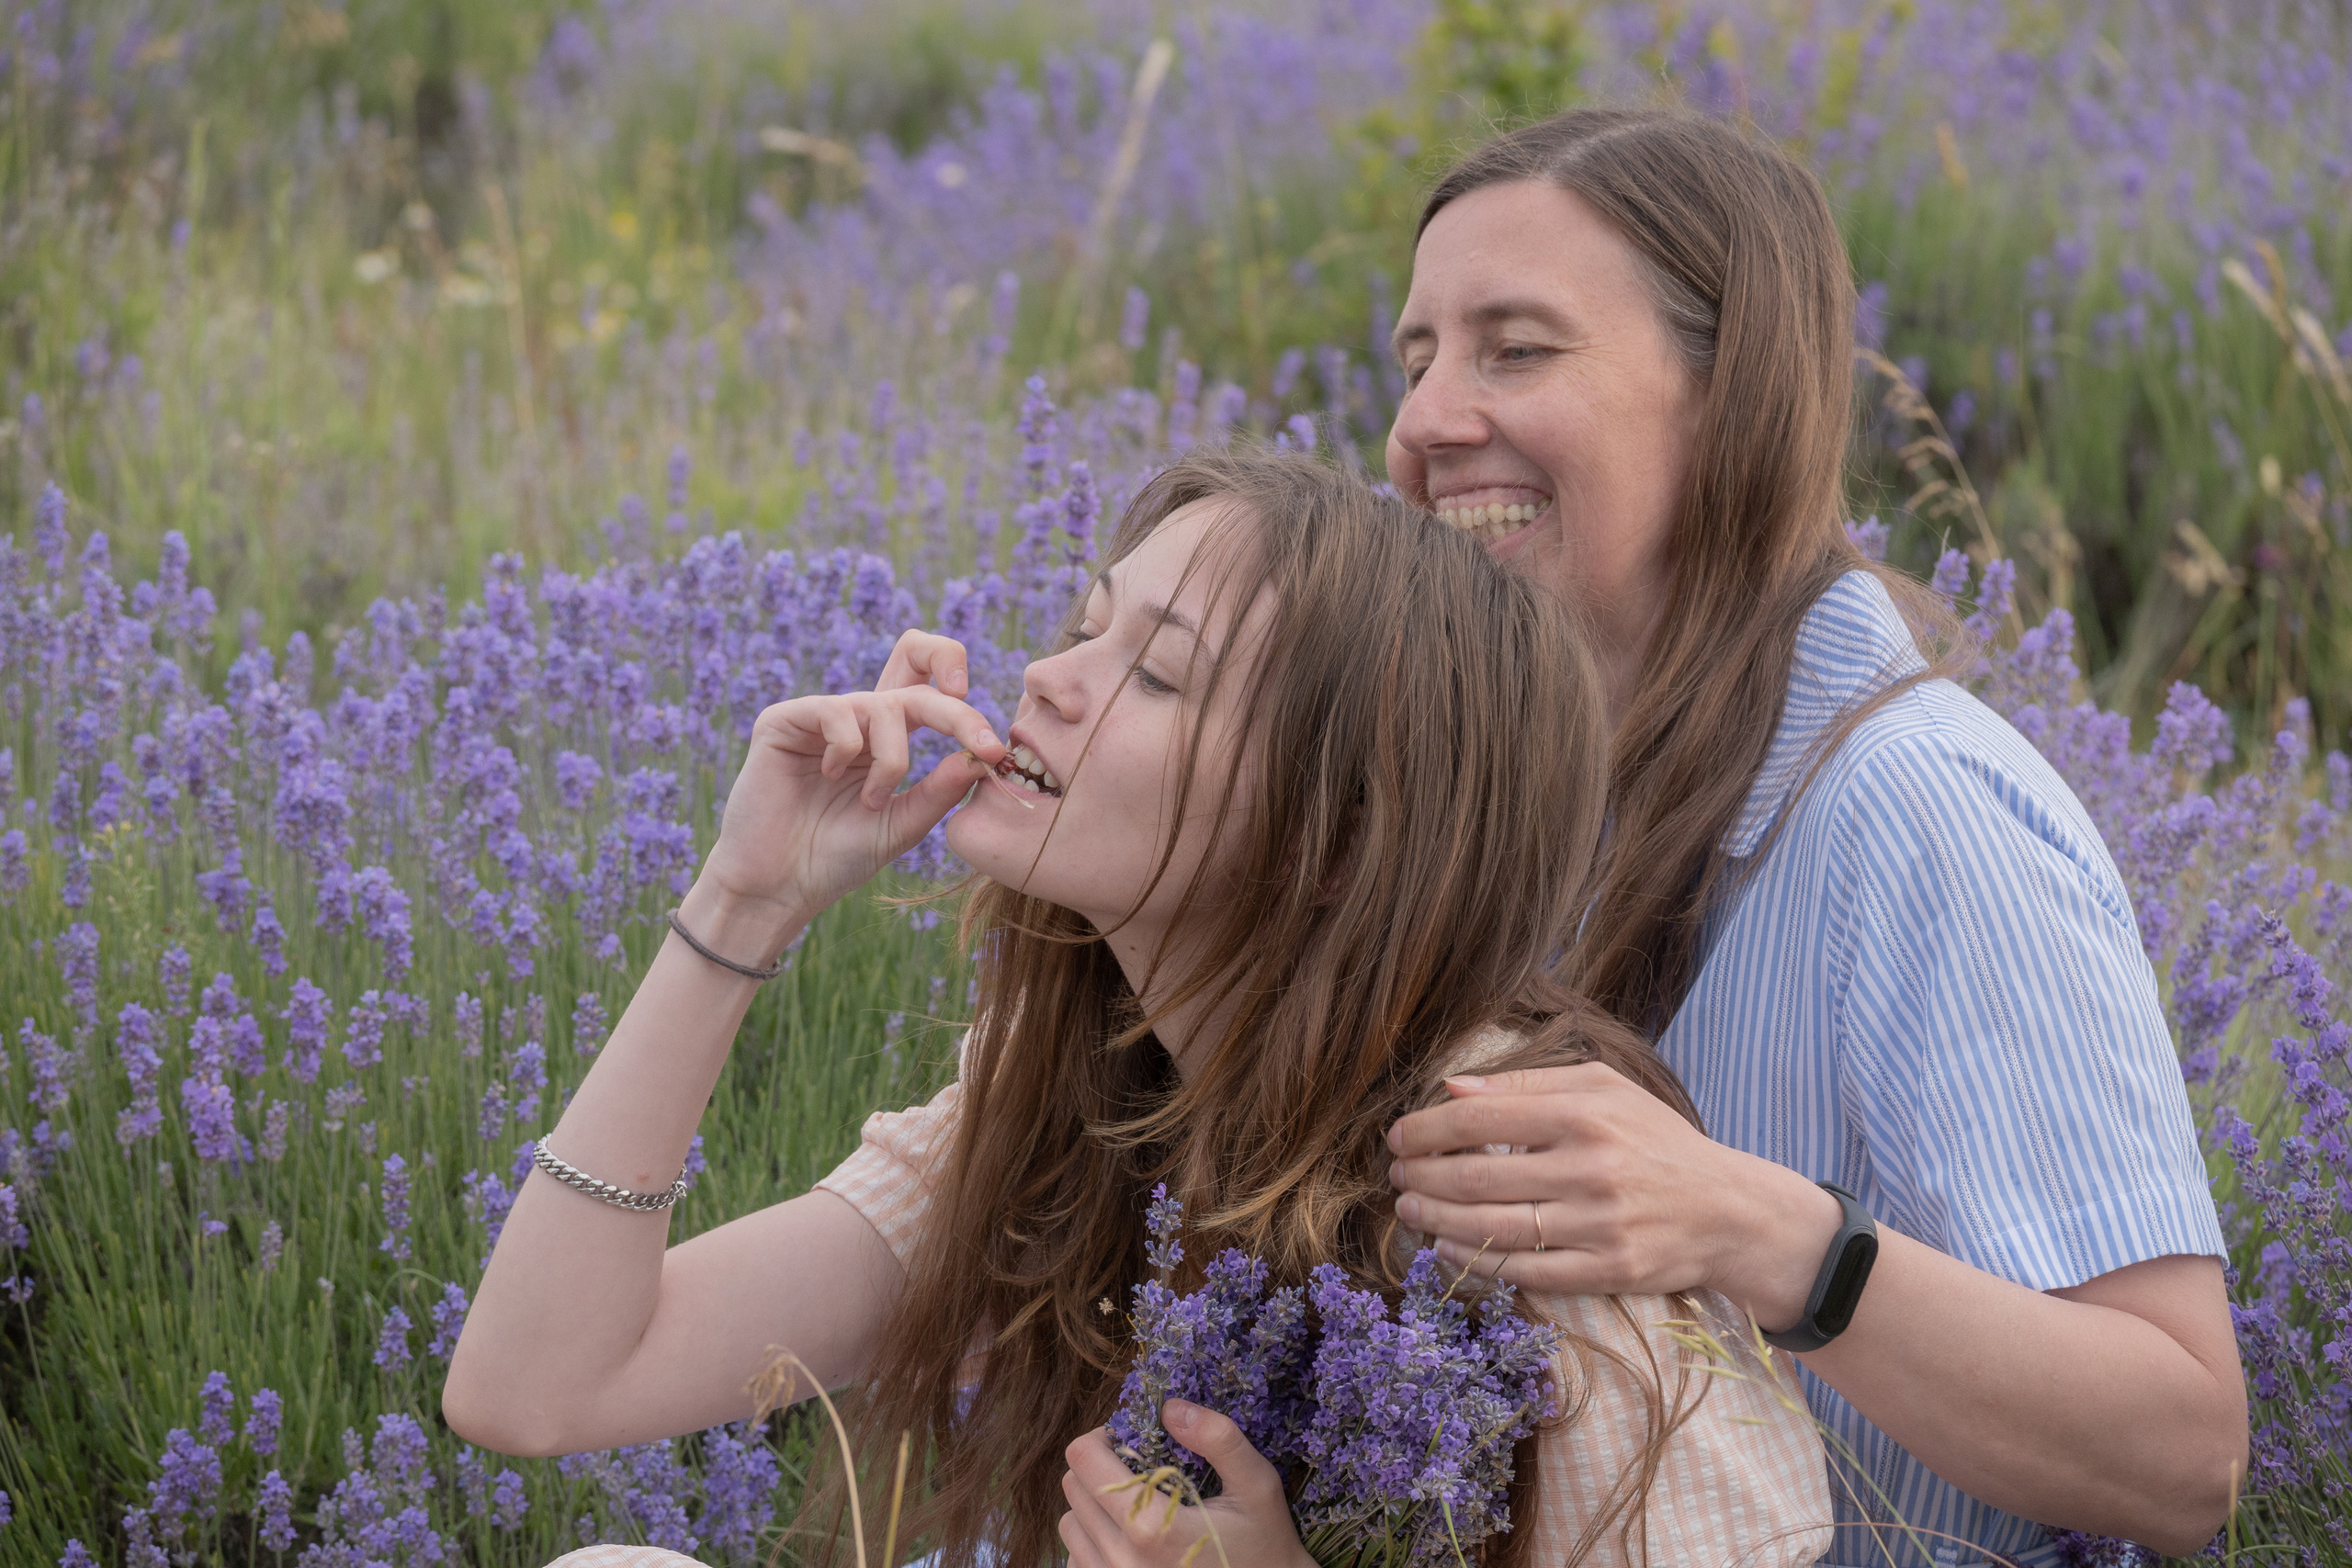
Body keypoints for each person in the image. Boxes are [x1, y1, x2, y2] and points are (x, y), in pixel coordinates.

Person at [443, 449, 1834, 1568]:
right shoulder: (1075, 1100)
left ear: (1335, 830)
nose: (1048, 677)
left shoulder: (1531, 1183)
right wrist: (745, 903)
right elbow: (539, 1388)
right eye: (1084, 628)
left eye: (1155, 673)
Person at [1371, 109, 2246, 1566]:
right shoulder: (1516, 801)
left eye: (1516, 350)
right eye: (1416, 362)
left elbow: (2181, 1454)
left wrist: (1767, 1239)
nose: (1427, 423)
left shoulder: (1918, 812)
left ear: (1732, 401)